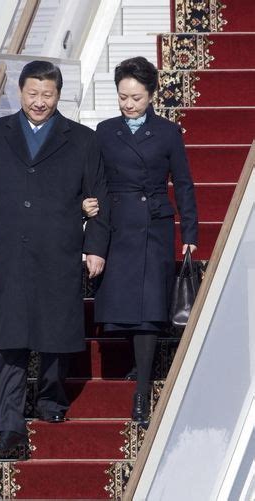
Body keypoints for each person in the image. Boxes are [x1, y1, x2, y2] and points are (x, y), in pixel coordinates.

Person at [0, 60, 110, 456]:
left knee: (54, 332)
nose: (39, 102)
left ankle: (51, 400)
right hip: (10, 250)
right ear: (20, 92)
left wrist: (95, 247)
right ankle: (6, 427)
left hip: (58, 249)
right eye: (32, 93)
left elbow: (99, 197)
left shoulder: (81, 139)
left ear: (58, 95)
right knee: (11, 340)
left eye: (47, 95)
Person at [83, 56, 198, 428]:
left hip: (153, 228)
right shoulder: (104, 131)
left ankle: (143, 394)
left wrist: (191, 235)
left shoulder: (167, 132)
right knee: (126, 308)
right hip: (117, 225)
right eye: (122, 97)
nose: (128, 104)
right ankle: (139, 365)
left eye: (136, 97)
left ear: (151, 95)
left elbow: (183, 182)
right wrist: (86, 207)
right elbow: (94, 179)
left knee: (148, 311)